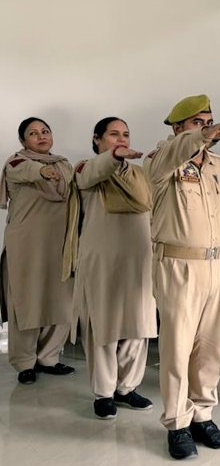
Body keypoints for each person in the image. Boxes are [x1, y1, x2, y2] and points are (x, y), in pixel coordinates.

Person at [146, 95, 220, 460]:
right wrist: (200, 137)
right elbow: (174, 155)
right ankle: (177, 422)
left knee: (211, 347)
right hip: (179, 266)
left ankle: (203, 415)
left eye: (209, 120)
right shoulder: (162, 162)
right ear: (178, 129)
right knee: (178, 348)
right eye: (197, 122)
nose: (207, 127)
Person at [67, 117, 157, 419]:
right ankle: (104, 393)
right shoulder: (85, 168)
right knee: (103, 327)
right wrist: (114, 157)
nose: (122, 139)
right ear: (97, 139)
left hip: (140, 258)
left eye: (126, 135)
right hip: (101, 260)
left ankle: (127, 388)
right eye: (114, 134)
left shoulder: (140, 174)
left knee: (139, 324)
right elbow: (95, 171)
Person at [1, 118, 75, 383]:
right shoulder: (16, 162)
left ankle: (49, 357)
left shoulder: (64, 164)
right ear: (23, 141)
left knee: (61, 299)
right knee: (27, 301)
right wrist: (43, 173)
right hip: (27, 245)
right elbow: (29, 171)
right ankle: (24, 362)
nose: (41, 136)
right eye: (33, 133)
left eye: (45, 131)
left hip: (60, 243)